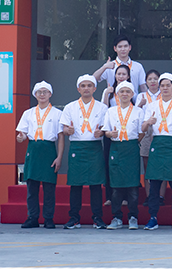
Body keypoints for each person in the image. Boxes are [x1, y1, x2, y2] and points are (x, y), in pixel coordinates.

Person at [141, 72, 172, 230]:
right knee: (154, 184)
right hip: (157, 144)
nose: (164, 88)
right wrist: (148, 122)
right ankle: (153, 217)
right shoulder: (152, 105)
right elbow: (143, 128)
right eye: (162, 85)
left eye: (168, 85)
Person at [60, 75, 108, 229]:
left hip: (95, 147)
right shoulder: (70, 107)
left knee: (96, 185)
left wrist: (101, 132)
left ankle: (98, 218)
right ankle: (74, 218)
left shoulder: (102, 108)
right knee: (75, 185)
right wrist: (68, 130)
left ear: (95, 88)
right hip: (77, 147)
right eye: (83, 86)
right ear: (78, 89)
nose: (86, 88)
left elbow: (105, 128)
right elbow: (64, 128)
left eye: (89, 85)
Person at [16, 81, 63, 228]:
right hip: (33, 150)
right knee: (32, 187)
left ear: (50, 94)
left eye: (45, 92)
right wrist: (21, 137)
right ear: (35, 95)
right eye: (39, 92)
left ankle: (48, 218)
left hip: (49, 150)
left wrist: (59, 157)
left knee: (49, 188)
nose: (42, 95)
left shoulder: (57, 113)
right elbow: (23, 133)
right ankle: (33, 217)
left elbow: (61, 137)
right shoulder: (28, 113)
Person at [103, 81, 144, 229]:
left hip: (131, 148)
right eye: (122, 91)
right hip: (116, 148)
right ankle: (116, 217)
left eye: (128, 91)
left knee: (133, 187)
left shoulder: (138, 111)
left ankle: (133, 217)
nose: (125, 94)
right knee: (116, 187)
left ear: (132, 94)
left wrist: (131, 142)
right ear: (117, 94)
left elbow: (141, 133)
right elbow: (106, 131)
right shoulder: (111, 111)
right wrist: (111, 134)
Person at [137, 69, 162, 199]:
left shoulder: (164, 94)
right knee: (147, 166)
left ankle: (161, 196)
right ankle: (149, 196)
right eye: (150, 79)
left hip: (161, 130)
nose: (153, 81)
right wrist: (140, 105)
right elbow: (135, 114)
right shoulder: (141, 96)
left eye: (155, 79)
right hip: (146, 130)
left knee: (161, 166)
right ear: (145, 82)